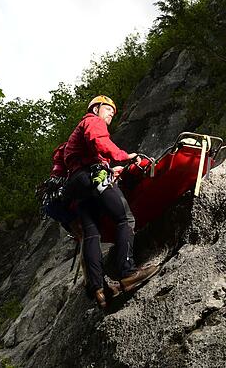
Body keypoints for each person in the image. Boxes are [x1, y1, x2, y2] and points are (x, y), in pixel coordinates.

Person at [63, 95, 160, 308]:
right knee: (125, 219)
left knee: (92, 234)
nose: (110, 116)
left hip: (77, 184)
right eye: (108, 110)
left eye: (113, 114)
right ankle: (128, 272)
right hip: (92, 177)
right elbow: (99, 141)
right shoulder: (92, 121)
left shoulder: (78, 132)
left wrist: (109, 168)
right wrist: (124, 156)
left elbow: (88, 155)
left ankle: (98, 289)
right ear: (96, 108)